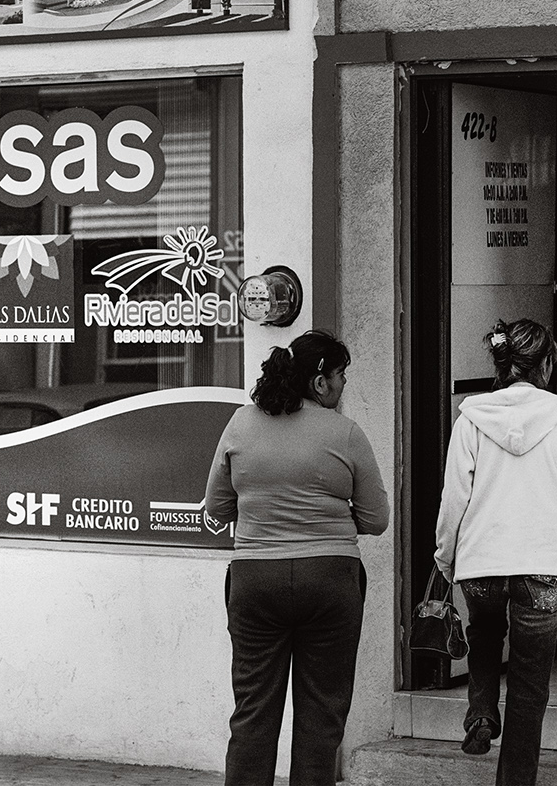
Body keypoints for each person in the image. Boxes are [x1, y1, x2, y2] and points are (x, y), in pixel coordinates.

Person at [204, 329, 389, 786]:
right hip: (329, 581)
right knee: (321, 718)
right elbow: (377, 518)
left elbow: (217, 508)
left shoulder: (240, 424)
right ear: (320, 381)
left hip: (255, 582)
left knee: (252, 713)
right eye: (341, 375)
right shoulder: (344, 432)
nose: (344, 385)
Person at [434, 319, 557, 784]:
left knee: (484, 631)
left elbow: (454, 500)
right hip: (546, 567)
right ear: (547, 363)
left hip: (482, 565)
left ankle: (482, 712)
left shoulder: (471, 419)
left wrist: (446, 558)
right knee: (530, 683)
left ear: (502, 364)